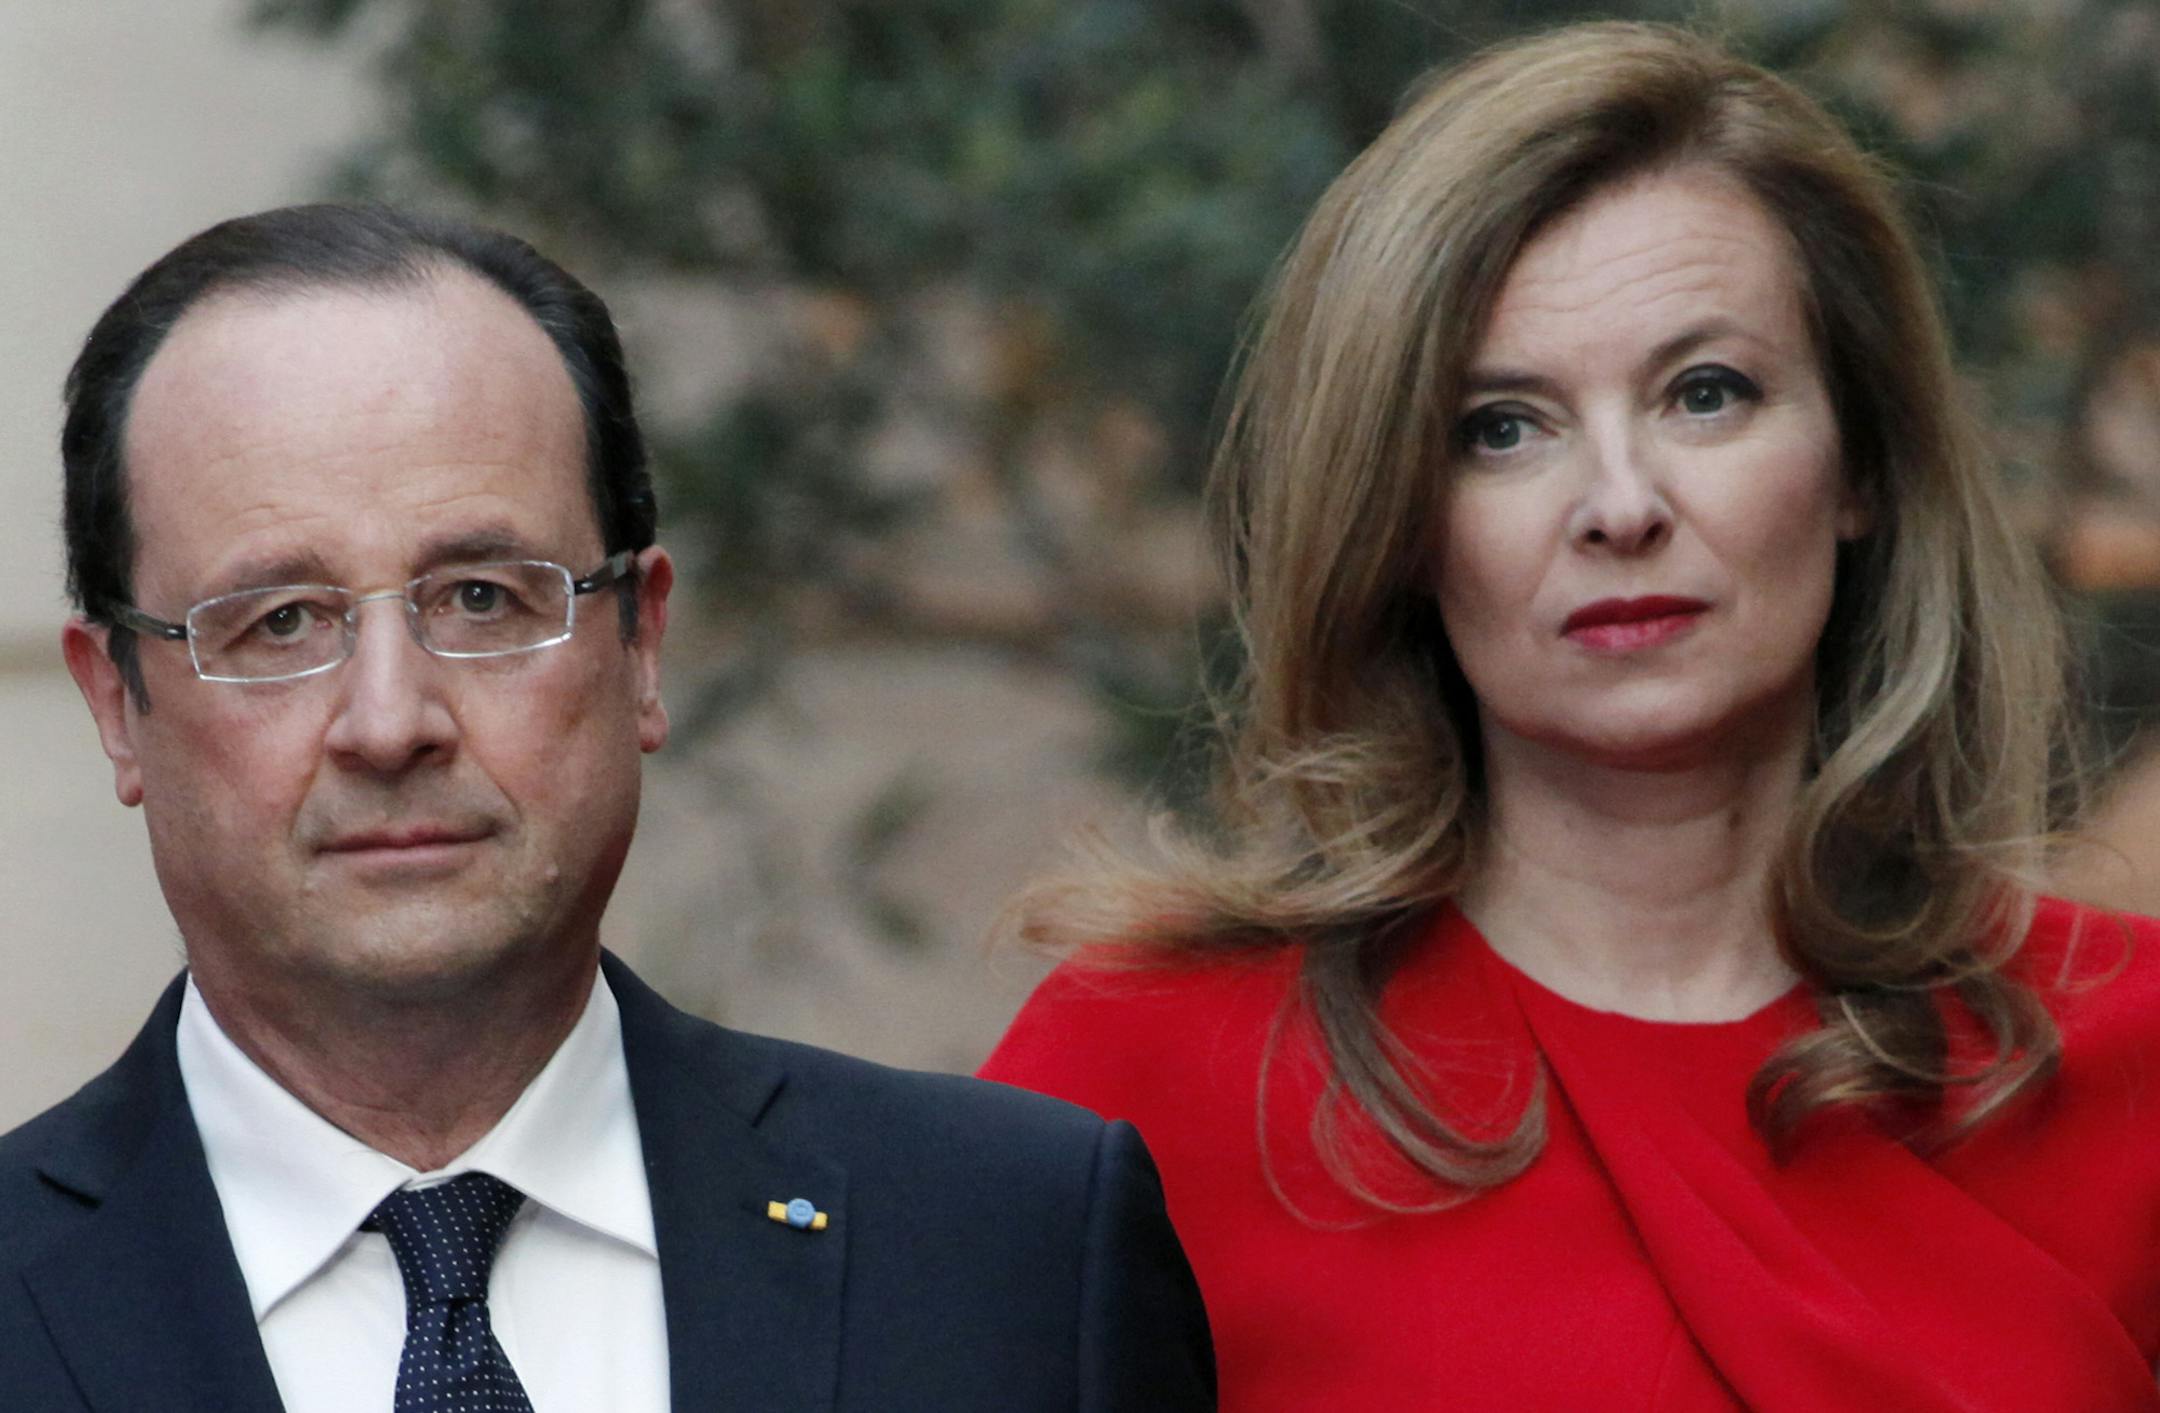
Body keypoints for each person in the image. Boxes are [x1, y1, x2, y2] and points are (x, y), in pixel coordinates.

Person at [980, 21, 2160, 1412]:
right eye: (1502, 427)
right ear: (1401, 521)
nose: (1619, 503)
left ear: (1864, 467)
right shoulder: (1140, 1078)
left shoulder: (2133, 1053)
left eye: (1704, 393)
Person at [0, 204, 1214, 1413]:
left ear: (641, 644)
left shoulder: (1011, 1250)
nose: (389, 721)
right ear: (117, 703)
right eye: (279, 622)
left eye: (481, 597)